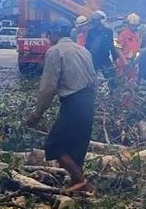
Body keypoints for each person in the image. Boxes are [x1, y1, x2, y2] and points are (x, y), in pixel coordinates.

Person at [27, 18, 96, 192]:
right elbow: (94, 80)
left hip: (73, 103)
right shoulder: (84, 50)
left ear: (55, 33)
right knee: (77, 146)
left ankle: (82, 182)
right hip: (88, 101)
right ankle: (77, 186)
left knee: (54, 145)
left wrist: (37, 114)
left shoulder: (55, 51)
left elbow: (48, 88)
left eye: (49, 33)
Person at [85, 10, 119, 88]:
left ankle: (113, 93)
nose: (95, 22)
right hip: (94, 60)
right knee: (95, 81)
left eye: (97, 20)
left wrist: (115, 58)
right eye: (94, 20)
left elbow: (111, 46)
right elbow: (87, 46)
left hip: (105, 59)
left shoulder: (108, 31)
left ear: (102, 20)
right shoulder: (91, 31)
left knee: (112, 80)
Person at [116, 13, 142, 80]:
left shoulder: (136, 35)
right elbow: (118, 49)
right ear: (128, 24)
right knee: (122, 80)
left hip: (132, 61)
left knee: (131, 79)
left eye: (135, 26)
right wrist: (124, 61)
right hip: (124, 62)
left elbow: (136, 48)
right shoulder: (123, 34)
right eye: (132, 26)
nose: (134, 27)